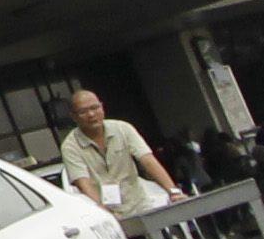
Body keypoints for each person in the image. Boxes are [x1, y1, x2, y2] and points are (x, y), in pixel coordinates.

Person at [57, 89, 181, 219]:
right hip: (108, 216)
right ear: (73, 116)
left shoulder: (123, 129)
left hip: (140, 205)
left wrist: (174, 191)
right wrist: (105, 213)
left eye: (95, 107)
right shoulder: (70, 146)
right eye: (83, 111)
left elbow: (148, 161)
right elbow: (83, 183)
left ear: (102, 107)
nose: (91, 114)